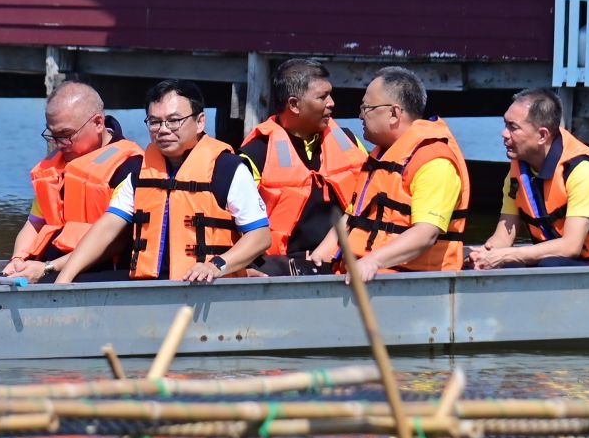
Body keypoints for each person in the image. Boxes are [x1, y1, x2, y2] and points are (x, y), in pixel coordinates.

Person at [47, 80, 270, 285]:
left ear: (200, 121)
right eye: (154, 122)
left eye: (174, 121)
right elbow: (107, 228)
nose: (163, 130)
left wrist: (216, 266)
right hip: (150, 286)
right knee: (60, 280)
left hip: (206, 284)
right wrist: (64, 277)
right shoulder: (140, 172)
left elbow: (260, 236)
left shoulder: (229, 170)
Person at [468, 88, 589, 268]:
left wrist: (507, 255)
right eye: (505, 124)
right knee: (480, 266)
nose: (504, 134)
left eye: (513, 127)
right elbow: (503, 238)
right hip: (564, 264)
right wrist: (484, 254)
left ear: (542, 135)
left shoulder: (582, 171)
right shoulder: (517, 176)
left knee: (548, 266)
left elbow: (570, 246)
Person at [237, 58, 367, 272]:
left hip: (345, 265)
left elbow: (371, 197)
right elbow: (235, 226)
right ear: (294, 105)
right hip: (281, 270)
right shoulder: (256, 154)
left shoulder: (349, 141)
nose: (332, 103)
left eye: (330, 94)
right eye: (322, 97)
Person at [3, 81, 141, 281]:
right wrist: (18, 259)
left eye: (66, 135)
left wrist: (47, 268)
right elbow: (35, 222)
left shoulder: (129, 167)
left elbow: (115, 242)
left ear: (98, 123)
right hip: (47, 267)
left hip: (99, 273)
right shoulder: (55, 167)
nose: (59, 144)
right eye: (52, 135)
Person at [341, 66, 470, 274]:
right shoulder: (381, 156)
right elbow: (350, 218)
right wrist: (318, 258)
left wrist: (372, 262)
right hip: (358, 272)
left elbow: (425, 234)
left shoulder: (435, 162)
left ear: (394, 113)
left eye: (366, 108)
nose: (360, 115)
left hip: (410, 281)